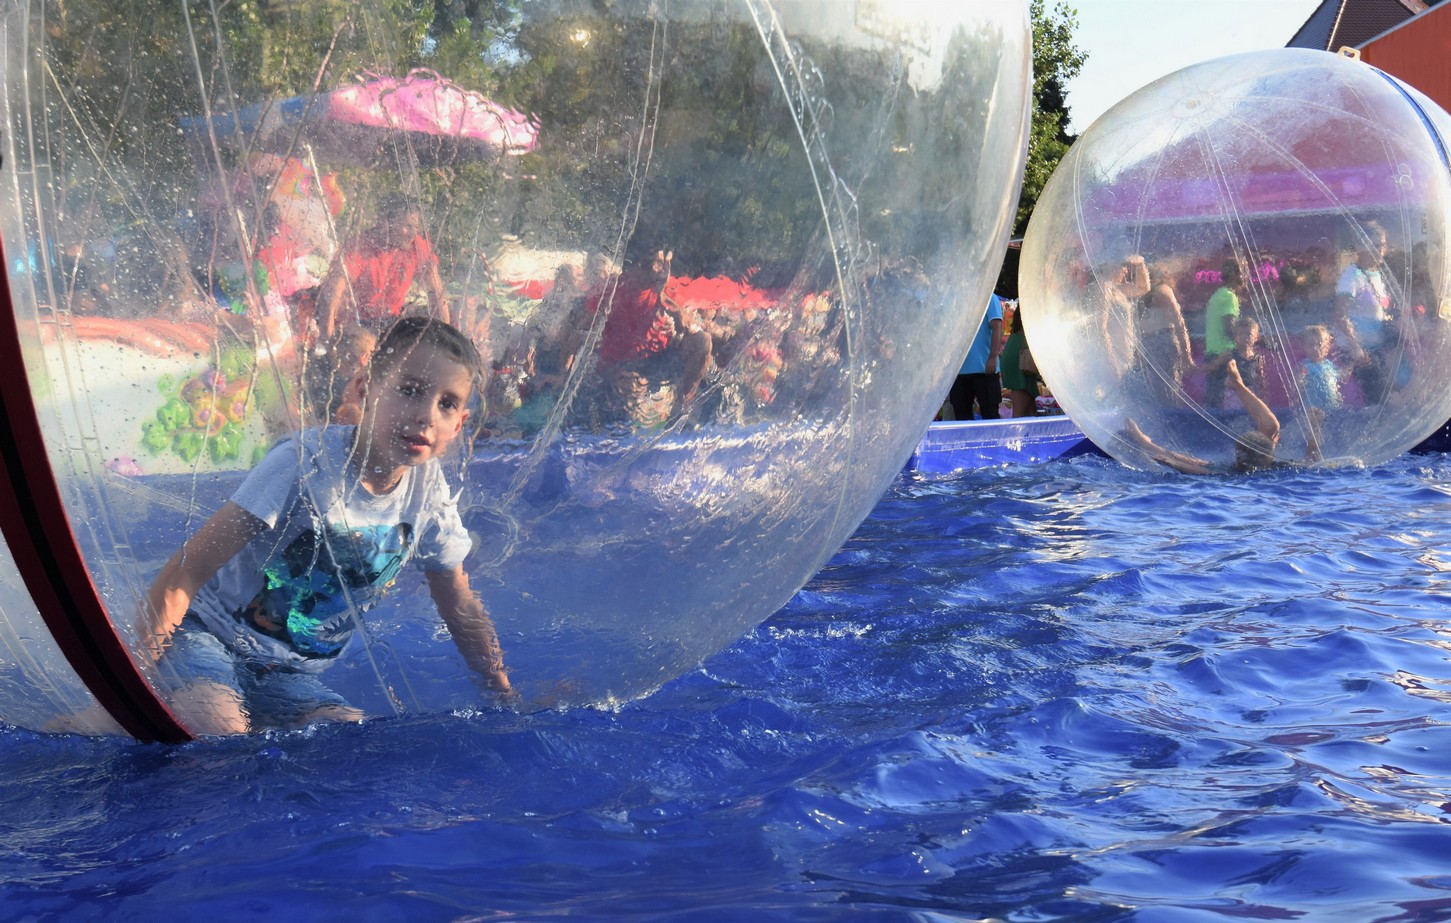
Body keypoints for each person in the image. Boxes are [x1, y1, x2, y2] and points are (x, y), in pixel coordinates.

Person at [136, 317, 511, 734]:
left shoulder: (428, 493)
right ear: (365, 389)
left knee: (349, 736)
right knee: (219, 731)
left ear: (459, 423)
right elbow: (188, 569)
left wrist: (501, 692)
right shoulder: (303, 463)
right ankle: (111, 720)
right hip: (206, 638)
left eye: (447, 403)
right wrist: (132, 676)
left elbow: (458, 601)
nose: (426, 415)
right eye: (409, 391)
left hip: (287, 674)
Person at [588, 248, 712, 420]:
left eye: (661, 264)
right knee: (631, 388)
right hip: (620, 364)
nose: (658, 270)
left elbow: (688, 325)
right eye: (650, 264)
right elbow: (580, 328)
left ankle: (681, 403)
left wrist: (661, 296)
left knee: (703, 341)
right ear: (631, 267)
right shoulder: (612, 291)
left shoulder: (669, 289)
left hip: (658, 359)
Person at [314, 194, 450, 341]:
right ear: (386, 223)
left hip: (392, 323)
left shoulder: (416, 246)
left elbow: (437, 294)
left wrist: (446, 340)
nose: (412, 233)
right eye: (407, 226)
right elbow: (332, 295)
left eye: (416, 227)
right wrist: (327, 341)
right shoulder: (359, 247)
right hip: (356, 325)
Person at [1120, 359, 1283, 475]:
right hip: (1246, 464)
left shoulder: (1240, 471)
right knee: (1272, 427)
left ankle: (1145, 443)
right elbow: (1203, 471)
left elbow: (1202, 471)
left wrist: (1176, 465)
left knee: (1194, 462)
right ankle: (1237, 385)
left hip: (1233, 467)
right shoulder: (1258, 468)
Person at [1333, 221, 1394, 404]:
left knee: (1384, 399)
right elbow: (1339, 315)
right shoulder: (1352, 276)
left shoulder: (1376, 275)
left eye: (1382, 245)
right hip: (1357, 355)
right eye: (1374, 245)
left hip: (1376, 350)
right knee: (1374, 403)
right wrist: (1356, 348)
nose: (1380, 250)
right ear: (1360, 247)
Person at [1136, 263, 1193, 405]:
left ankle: (1170, 415)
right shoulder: (1146, 293)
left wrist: (1186, 355)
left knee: (1165, 389)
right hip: (1154, 341)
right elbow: (1179, 322)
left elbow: (1179, 322)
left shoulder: (1161, 290)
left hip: (1160, 341)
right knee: (1161, 389)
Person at [948, 293, 1004, 420]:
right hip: (959, 370)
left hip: (984, 368)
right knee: (961, 416)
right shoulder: (956, 299)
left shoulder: (989, 297)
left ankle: (992, 440)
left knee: (990, 415)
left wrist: (992, 357)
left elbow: (997, 326)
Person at [1202, 259, 1244, 407]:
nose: (1244, 277)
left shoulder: (1217, 295)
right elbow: (1229, 328)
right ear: (1234, 275)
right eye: (1242, 272)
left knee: (1213, 399)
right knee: (1225, 401)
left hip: (1212, 352)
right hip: (1224, 354)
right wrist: (1249, 341)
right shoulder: (1229, 297)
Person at [1300, 323, 1342, 462]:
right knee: (1314, 431)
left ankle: (1325, 453)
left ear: (1327, 346)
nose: (1316, 348)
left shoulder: (1329, 365)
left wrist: (1351, 365)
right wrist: (1300, 379)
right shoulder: (1305, 366)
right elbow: (1298, 384)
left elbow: (1339, 380)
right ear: (1304, 347)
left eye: (1320, 344)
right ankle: (1312, 456)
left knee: (1329, 433)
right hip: (1313, 408)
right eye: (1311, 345)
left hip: (1330, 407)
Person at [999, 303, 1041, 419]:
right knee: (1020, 416)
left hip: (1018, 357)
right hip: (1022, 361)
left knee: (1030, 413)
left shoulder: (1022, 312)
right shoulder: (1034, 311)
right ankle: (1016, 437)